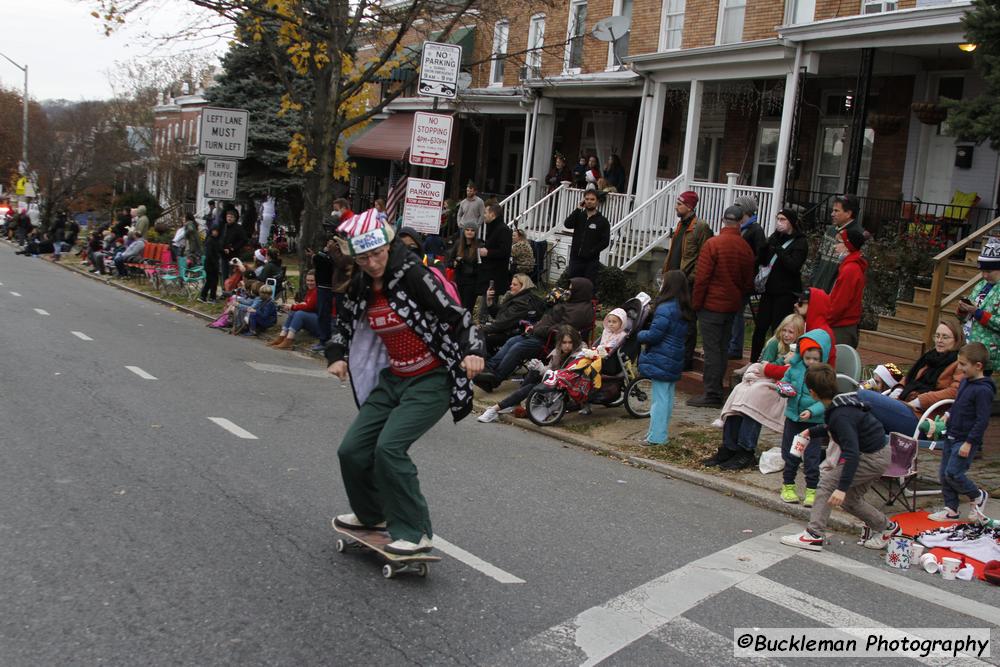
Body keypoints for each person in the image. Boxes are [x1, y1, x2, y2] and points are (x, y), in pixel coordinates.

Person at [326, 209, 486, 555]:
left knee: (389, 449)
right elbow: (344, 325)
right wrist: (336, 356)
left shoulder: (413, 274)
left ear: (388, 244)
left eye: (376, 254)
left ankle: (416, 532)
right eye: (363, 257)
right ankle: (372, 515)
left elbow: (456, 315)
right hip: (394, 378)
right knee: (351, 450)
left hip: (431, 379)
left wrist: (473, 350)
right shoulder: (363, 284)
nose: (371, 263)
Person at [780, 364, 900, 552]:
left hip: (870, 457)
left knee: (827, 485)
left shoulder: (839, 414)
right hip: (878, 454)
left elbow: (851, 451)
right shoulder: (840, 403)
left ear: (812, 393)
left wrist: (841, 488)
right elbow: (839, 428)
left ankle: (813, 534)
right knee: (850, 501)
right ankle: (888, 528)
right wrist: (811, 431)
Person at [705, 314, 807, 470]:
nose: (786, 335)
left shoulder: (800, 350)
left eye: (791, 332)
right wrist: (782, 362)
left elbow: (788, 374)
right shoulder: (774, 343)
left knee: (753, 402)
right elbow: (764, 367)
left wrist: (780, 367)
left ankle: (746, 450)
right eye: (784, 330)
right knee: (739, 396)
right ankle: (729, 446)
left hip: (780, 388)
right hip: (763, 380)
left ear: (798, 334)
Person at [475, 277, 595, 392]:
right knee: (513, 341)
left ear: (579, 292)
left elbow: (564, 329)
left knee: (518, 347)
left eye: (571, 289)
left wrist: (539, 328)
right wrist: (536, 326)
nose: (568, 291)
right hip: (540, 333)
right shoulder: (571, 303)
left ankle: (495, 379)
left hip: (551, 340)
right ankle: (489, 369)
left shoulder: (580, 311)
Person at [687, 205, 755, 408]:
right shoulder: (745, 247)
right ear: (740, 222)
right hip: (732, 305)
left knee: (712, 350)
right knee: (722, 349)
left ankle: (712, 393)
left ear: (723, 221)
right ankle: (715, 390)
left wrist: (696, 304)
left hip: (711, 305)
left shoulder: (713, 244)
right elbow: (748, 281)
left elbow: (702, 279)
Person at [856, 318, 965, 437]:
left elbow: (955, 392)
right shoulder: (930, 357)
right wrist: (899, 388)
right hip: (905, 404)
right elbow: (910, 378)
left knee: (863, 395)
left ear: (957, 340)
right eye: (937, 336)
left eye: (945, 337)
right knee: (858, 411)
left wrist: (922, 400)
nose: (939, 340)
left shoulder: (959, 363)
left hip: (924, 418)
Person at [925, 342, 994, 522]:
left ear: (978, 366)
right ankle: (951, 509)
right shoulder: (965, 382)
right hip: (951, 434)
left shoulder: (984, 390)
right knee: (944, 474)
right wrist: (948, 414)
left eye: (963, 364)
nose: (960, 368)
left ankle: (977, 495)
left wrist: (969, 442)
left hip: (965, 440)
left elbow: (982, 420)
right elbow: (958, 404)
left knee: (953, 473)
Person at [773, 329, 834, 505]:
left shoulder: (824, 374)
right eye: (808, 358)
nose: (811, 362)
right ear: (802, 354)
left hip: (814, 424)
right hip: (793, 418)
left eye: (816, 359)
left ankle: (812, 490)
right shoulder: (795, 368)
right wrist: (783, 389)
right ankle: (788, 486)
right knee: (791, 454)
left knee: (811, 457)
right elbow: (784, 382)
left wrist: (813, 411)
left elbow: (826, 400)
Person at [478, 326, 583, 423]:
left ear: (575, 342)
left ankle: (495, 409)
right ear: (559, 342)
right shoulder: (558, 351)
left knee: (532, 387)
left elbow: (566, 377)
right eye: (564, 342)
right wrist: (538, 367)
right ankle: (513, 403)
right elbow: (551, 369)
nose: (567, 346)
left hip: (564, 392)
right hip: (553, 386)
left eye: (570, 342)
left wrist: (543, 370)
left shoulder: (579, 354)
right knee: (534, 371)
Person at [637, 269, 691, 446]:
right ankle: (660, 433)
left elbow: (655, 335)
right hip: (674, 357)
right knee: (667, 398)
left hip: (662, 357)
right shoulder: (683, 308)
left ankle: (656, 437)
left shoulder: (664, 308)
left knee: (659, 400)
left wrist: (639, 334)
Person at [750, 208, 808, 361]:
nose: (779, 223)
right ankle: (753, 361)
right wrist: (763, 249)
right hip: (769, 291)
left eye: (783, 220)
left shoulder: (800, 242)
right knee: (760, 327)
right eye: (778, 219)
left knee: (779, 329)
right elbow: (762, 261)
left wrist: (780, 251)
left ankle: (775, 360)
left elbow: (794, 266)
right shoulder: (775, 237)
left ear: (792, 223)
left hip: (785, 293)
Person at [664, 190, 713, 370]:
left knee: (688, 321)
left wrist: (691, 278)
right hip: (673, 280)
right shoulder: (680, 225)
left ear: (689, 207)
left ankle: (685, 360)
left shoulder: (700, 227)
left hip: (687, 282)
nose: (676, 207)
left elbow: (704, 256)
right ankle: (672, 355)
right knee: (671, 318)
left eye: (679, 204)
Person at [728, 196, 767, 359]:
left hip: (747, 279)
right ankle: (731, 343)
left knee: (737, 313)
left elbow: (761, 254)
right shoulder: (740, 227)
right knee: (733, 312)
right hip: (735, 277)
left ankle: (736, 347)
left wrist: (747, 263)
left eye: (738, 206)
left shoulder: (755, 230)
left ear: (746, 210)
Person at [957, 236, 1000, 372]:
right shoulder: (981, 285)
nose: (984, 275)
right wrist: (963, 310)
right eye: (982, 271)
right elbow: (965, 317)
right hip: (968, 346)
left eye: (989, 271)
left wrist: (977, 312)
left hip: (987, 353)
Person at [810, 194, 863, 293]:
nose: (832, 214)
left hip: (835, 295)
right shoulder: (830, 230)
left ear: (848, 213)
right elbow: (818, 257)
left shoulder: (858, 236)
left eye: (836, 211)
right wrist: (814, 279)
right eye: (832, 210)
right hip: (817, 290)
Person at [480, 273, 545, 353]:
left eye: (515, 285)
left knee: (481, 338)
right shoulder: (517, 297)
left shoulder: (521, 303)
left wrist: (480, 329)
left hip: (514, 335)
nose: (511, 286)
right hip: (507, 331)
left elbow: (502, 323)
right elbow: (500, 315)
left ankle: (490, 363)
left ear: (523, 287)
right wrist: (489, 300)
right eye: (511, 284)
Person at [827, 224, 868, 348]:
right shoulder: (850, 266)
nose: (835, 247)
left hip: (841, 327)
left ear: (848, 246)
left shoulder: (850, 269)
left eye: (838, 242)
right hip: (843, 324)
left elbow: (841, 302)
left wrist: (827, 320)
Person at [563, 189, 610, 288]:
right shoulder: (579, 216)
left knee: (588, 286)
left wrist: (592, 251)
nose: (589, 201)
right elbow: (567, 224)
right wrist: (578, 209)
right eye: (587, 199)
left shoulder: (602, 221)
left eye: (592, 199)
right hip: (575, 258)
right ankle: (572, 303)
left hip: (591, 261)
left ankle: (588, 303)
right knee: (573, 285)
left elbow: (605, 242)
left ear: (597, 201)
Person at [270, 271, 330, 349]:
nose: (309, 283)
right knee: (294, 312)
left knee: (300, 314)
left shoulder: (318, 291)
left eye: (312, 281)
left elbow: (309, 307)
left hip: (322, 324)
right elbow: (305, 303)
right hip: (314, 318)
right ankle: (282, 336)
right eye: (308, 280)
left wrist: (293, 306)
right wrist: (296, 306)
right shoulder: (311, 290)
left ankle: (289, 340)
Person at [792, 288, 837, 368]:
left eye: (800, 302)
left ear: (813, 305)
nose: (795, 305)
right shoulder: (812, 327)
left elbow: (801, 370)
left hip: (818, 378)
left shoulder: (821, 333)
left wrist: (767, 368)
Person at [477, 203, 512, 300]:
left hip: (496, 275)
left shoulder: (503, 230)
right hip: (489, 272)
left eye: (485, 213)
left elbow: (505, 251)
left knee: (488, 304)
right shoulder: (493, 228)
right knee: (487, 303)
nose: (484, 215)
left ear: (492, 214)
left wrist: (488, 252)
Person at [450, 221, 481, 309]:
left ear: (475, 232)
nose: (469, 232)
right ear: (464, 231)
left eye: (472, 230)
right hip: (459, 279)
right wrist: (454, 263)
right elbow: (449, 261)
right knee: (457, 305)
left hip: (472, 281)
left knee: (468, 307)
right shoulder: (458, 244)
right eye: (467, 230)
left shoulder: (479, 245)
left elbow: (480, 265)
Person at [221, 208, 248, 283]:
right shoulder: (223, 227)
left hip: (234, 255)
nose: (229, 218)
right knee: (224, 273)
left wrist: (233, 248)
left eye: (231, 217)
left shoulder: (238, 228)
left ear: (235, 218)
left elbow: (244, 240)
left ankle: (233, 289)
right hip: (224, 255)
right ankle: (224, 289)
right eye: (228, 216)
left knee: (233, 274)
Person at [199, 226, 222, 303]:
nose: (215, 232)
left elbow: (218, 250)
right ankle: (211, 297)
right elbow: (209, 254)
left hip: (213, 263)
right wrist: (215, 264)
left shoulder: (216, 240)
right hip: (210, 264)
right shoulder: (210, 240)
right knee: (213, 281)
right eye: (214, 231)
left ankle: (204, 296)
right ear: (211, 231)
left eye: (217, 231)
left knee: (211, 281)